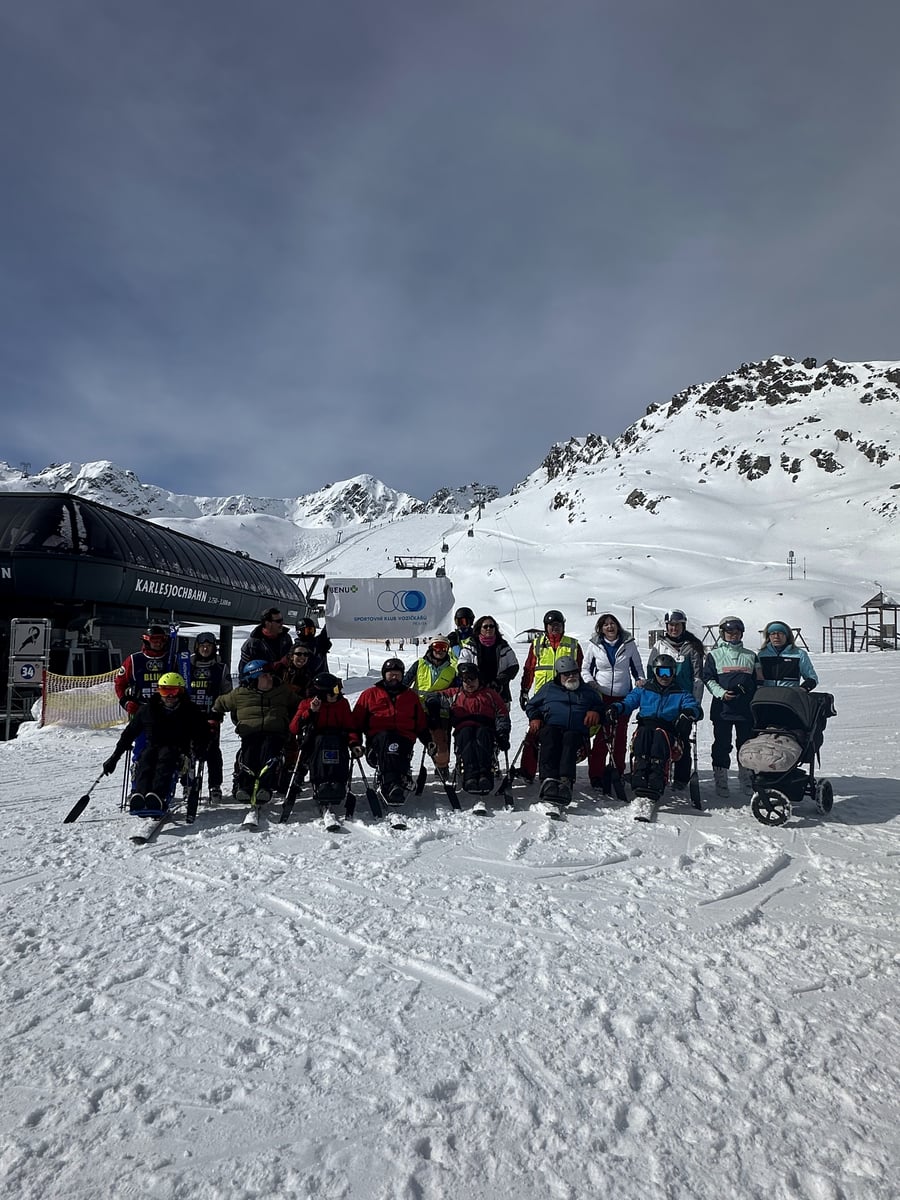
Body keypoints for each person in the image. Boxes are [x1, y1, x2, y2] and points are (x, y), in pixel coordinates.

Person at [606, 655, 702, 812]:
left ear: (674, 673)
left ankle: (657, 775)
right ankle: (640, 772)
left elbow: (694, 707)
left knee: (659, 735)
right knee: (644, 733)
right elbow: (629, 702)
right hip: (646, 729)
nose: (665, 676)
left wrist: (689, 712)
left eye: (668, 672)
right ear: (655, 672)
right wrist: (617, 708)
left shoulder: (681, 692)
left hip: (668, 734)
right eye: (661, 672)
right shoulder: (644, 690)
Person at [102, 672, 209, 812]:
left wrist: (200, 749)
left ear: (181, 692)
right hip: (153, 745)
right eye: (165, 691)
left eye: (174, 692)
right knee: (145, 759)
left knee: (165, 759)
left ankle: (158, 795)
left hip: (178, 749)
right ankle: (140, 794)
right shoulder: (148, 710)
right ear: (159, 692)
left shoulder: (190, 710)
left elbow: (202, 732)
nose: (169, 696)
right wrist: (114, 758)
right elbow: (129, 733)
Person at [212, 659, 298, 806]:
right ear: (253, 679)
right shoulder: (240, 694)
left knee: (269, 753)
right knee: (249, 753)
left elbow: (299, 703)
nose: (270, 678)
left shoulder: (281, 691)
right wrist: (213, 714)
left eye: (270, 675)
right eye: (265, 676)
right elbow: (220, 703)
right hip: (250, 733)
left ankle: (265, 787)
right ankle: (245, 786)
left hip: (275, 733)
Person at [524, 655, 601, 809]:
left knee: (569, 738)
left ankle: (566, 780)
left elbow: (600, 706)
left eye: (574, 673)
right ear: (559, 675)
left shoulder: (587, 691)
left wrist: (596, 711)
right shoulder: (548, 689)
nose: (571, 676)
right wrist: (535, 717)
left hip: (576, 732)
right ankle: (549, 780)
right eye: (566, 674)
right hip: (552, 728)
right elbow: (532, 705)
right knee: (550, 736)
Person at [518, 610, 584, 783]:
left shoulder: (572, 645)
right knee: (534, 733)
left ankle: (560, 771)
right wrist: (525, 689)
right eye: (551, 625)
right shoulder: (537, 644)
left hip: (566, 697)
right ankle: (527, 771)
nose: (555, 628)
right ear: (545, 627)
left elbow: (580, 670)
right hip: (542, 699)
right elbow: (529, 669)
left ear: (563, 626)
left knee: (561, 735)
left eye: (558, 625)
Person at [353, 658, 429, 807]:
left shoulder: (410, 696)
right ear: (384, 675)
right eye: (391, 674)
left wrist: (428, 741)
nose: (394, 677)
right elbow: (356, 722)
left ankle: (399, 779)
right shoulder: (370, 694)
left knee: (396, 741)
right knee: (388, 738)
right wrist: (355, 742)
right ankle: (391, 784)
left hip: (404, 739)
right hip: (378, 742)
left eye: (398, 675)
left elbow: (420, 723)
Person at [645, 609, 706, 794]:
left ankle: (681, 777)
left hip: (683, 700)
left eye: (677, 625)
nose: (674, 628)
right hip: (663, 700)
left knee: (682, 739)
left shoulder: (692, 647)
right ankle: (653, 771)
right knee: (657, 735)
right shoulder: (659, 645)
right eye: (671, 625)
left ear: (683, 626)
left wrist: (695, 705)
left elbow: (697, 678)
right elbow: (651, 673)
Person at [582, 613, 644, 791]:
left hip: (623, 697)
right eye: (606, 624)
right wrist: (590, 683)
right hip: (601, 696)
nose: (610, 627)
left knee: (620, 736)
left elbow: (637, 667)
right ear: (601, 629)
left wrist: (640, 680)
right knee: (602, 736)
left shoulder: (628, 644)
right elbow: (585, 668)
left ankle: (617, 772)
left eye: (612, 623)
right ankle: (596, 774)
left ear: (617, 626)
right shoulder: (595, 645)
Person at [702, 616, 760, 796]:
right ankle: (721, 778)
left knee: (746, 744)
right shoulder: (714, 655)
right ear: (722, 634)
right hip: (723, 709)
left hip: (745, 709)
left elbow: (758, 680)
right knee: (722, 744)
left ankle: (746, 777)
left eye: (737, 632)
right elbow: (708, 678)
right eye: (729, 632)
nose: (733, 635)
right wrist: (721, 693)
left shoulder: (751, 655)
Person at [289, 673, 360, 809]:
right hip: (315, 742)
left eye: (337, 690)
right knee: (321, 741)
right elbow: (294, 727)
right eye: (333, 691)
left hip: (337, 741)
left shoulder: (342, 703)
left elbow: (350, 726)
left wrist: (354, 743)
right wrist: (311, 711)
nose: (336, 694)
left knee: (336, 742)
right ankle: (320, 782)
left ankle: (338, 782)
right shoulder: (307, 703)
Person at [447, 663, 511, 794]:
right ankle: (469, 775)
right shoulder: (456, 694)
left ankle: (484, 774)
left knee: (482, 734)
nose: (469, 683)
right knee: (466, 734)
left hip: (485, 727)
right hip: (463, 728)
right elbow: (437, 696)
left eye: (472, 679)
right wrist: (433, 701)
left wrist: (503, 733)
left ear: (478, 679)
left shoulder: (490, 694)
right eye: (465, 680)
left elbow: (502, 714)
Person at [184, 632, 232, 802]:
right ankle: (187, 784)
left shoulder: (220, 668)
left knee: (212, 751)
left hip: (211, 716)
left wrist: (218, 712)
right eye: (202, 646)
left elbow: (227, 693)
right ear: (197, 647)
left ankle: (215, 785)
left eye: (209, 646)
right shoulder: (186, 666)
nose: (205, 649)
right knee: (187, 751)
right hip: (189, 716)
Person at [403, 637, 458, 768]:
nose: (440, 650)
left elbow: (456, 690)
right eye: (437, 646)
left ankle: (442, 765)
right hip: (419, 708)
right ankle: (402, 763)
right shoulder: (420, 664)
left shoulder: (451, 670)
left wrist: (441, 696)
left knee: (442, 734)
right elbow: (404, 684)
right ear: (431, 648)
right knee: (403, 732)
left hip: (440, 710)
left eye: (443, 647)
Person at [457, 615, 519, 702]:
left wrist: (499, 680)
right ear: (479, 629)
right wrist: (476, 678)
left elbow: (514, 666)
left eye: (491, 626)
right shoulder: (471, 646)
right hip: (476, 692)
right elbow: (462, 665)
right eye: (485, 626)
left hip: (499, 692)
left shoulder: (503, 646)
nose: (488, 628)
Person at [114, 624, 172, 715]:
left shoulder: (172, 659)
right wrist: (125, 702)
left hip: (166, 711)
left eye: (162, 640)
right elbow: (120, 684)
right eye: (154, 640)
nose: (159, 643)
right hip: (140, 710)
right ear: (147, 640)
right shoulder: (133, 660)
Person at [758, 622, 818, 689]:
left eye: (780, 633)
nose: (776, 636)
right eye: (773, 633)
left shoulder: (799, 655)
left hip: (789, 694)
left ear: (787, 636)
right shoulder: (762, 655)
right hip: (766, 694)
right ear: (768, 636)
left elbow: (812, 678)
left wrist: (803, 689)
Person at [238, 608, 294, 679]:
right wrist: (274, 665)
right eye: (278, 621)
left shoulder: (286, 638)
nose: (282, 623)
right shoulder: (252, 644)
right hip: (262, 683)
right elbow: (245, 671)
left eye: (282, 620)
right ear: (267, 623)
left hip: (283, 681)